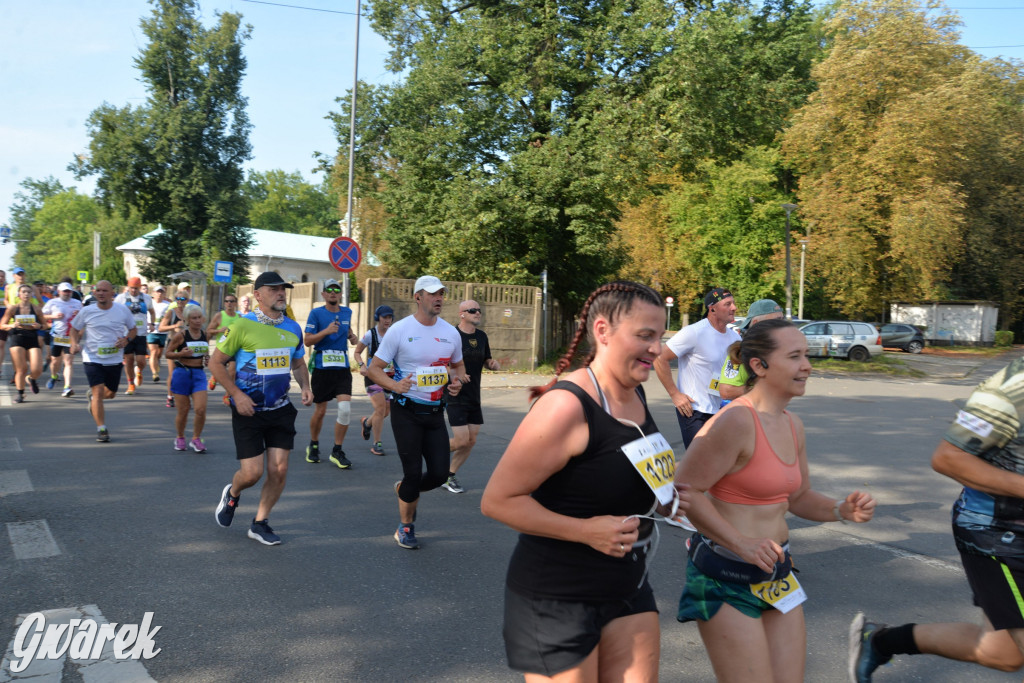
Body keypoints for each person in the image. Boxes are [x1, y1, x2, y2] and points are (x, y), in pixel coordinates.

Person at [481, 281, 687, 681]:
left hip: (629, 586)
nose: (657, 349)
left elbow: (616, 472)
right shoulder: (565, 406)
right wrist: (585, 531)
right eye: (645, 336)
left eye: (660, 337)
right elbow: (498, 500)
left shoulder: (634, 394)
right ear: (603, 331)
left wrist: (664, 499)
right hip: (556, 597)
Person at [674, 318, 876, 682]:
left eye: (807, 356)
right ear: (759, 365)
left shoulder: (791, 424)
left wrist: (839, 509)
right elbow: (684, 490)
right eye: (795, 356)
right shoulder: (734, 421)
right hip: (725, 577)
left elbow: (798, 497)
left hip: (776, 576)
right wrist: (741, 543)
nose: (807, 366)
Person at [848, 358, 1024, 682]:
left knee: (1003, 653)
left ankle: (880, 641)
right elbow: (949, 458)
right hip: (998, 535)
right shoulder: (1014, 386)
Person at [365, 275, 469, 550]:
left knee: (437, 474)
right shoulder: (400, 330)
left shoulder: (450, 332)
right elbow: (374, 369)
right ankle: (406, 527)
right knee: (413, 473)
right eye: (432, 294)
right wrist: (395, 385)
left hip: (435, 413)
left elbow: (458, 367)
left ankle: (405, 489)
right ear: (418, 297)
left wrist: (456, 382)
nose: (439, 298)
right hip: (406, 410)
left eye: (441, 294)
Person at [211, 272, 313, 546]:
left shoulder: (293, 328)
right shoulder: (243, 326)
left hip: (280, 408)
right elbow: (216, 363)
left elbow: (298, 363)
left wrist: (305, 386)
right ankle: (232, 493)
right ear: (257, 295)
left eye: (283, 289)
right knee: (252, 474)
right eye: (274, 289)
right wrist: (236, 395)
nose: (281, 293)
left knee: (279, 470)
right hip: (249, 409)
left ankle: (260, 523)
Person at [654, 287, 741, 448]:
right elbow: (660, 358)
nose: (734, 308)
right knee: (700, 463)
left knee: (720, 463)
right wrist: (675, 394)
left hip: (722, 409)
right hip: (695, 410)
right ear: (712, 308)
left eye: (733, 303)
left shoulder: (735, 338)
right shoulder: (694, 332)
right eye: (728, 304)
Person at [442, 299, 500, 493]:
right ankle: (431, 452)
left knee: (471, 440)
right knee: (460, 440)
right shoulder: (452, 335)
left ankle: (448, 475)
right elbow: (442, 362)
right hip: (455, 393)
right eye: (473, 310)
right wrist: (456, 374)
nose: (478, 313)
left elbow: (486, 358)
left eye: (479, 310)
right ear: (462, 314)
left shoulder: (482, 336)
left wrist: (491, 363)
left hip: (474, 395)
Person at [69, 281, 138, 442]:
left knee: (111, 394)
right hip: (92, 358)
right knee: (98, 391)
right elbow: (74, 329)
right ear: (94, 293)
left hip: (114, 358)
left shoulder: (122, 310)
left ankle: (93, 399)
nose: (101, 293)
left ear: (112, 293)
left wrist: (126, 340)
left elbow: (133, 329)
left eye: (104, 290)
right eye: (98, 290)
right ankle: (102, 429)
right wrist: (74, 343)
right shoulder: (87, 311)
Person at [303, 279, 359, 468]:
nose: (333, 292)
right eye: (329, 290)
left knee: (345, 410)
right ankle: (313, 443)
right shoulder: (316, 313)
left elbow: (348, 329)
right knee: (320, 411)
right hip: (322, 368)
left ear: (340, 294)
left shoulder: (347, 312)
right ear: (323, 294)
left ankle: (337, 450)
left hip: (342, 368)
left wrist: (352, 336)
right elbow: (308, 341)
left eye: (337, 289)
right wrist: (326, 331)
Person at [718, 299, 785, 401]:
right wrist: (762, 390)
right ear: (756, 323)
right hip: (748, 414)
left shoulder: (780, 350)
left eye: (782, 320)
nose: (781, 325)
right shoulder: (742, 351)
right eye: (776, 320)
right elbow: (726, 391)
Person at [165, 304, 210, 453]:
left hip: (198, 374)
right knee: (183, 410)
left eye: (199, 317)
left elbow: (205, 352)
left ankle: (196, 439)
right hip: (182, 373)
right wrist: (180, 354)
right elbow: (168, 353)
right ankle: (180, 437)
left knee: (200, 409)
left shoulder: (205, 334)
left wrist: (207, 359)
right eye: (194, 318)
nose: (197, 321)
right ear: (187, 320)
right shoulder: (181, 336)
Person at [354, 305, 395, 456]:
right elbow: (357, 352)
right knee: (380, 409)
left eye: (390, 317)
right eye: (384, 317)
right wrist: (361, 365)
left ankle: (367, 423)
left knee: (386, 411)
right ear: (378, 318)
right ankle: (377, 443)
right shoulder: (370, 335)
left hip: (389, 377)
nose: (387, 320)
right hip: (373, 376)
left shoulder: (394, 334)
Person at [1, 284, 46, 403]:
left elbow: (46, 325)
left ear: (32, 295)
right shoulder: (13, 308)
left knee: (37, 369)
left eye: (28, 292)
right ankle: (20, 394)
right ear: (19, 295)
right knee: (22, 368)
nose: (26, 294)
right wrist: (11, 325)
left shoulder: (36, 308)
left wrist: (39, 326)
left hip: (32, 337)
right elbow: (2, 325)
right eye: (24, 292)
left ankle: (31, 378)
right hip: (17, 337)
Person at [42, 282, 83, 396]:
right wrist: (53, 317)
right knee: (55, 361)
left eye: (69, 291)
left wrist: (79, 314)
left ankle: (67, 387)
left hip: (70, 337)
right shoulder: (52, 302)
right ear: (59, 292)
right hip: (56, 336)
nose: (67, 293)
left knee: (68, 361)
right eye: (64, 291)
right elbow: (42, 316)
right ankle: (54, 376)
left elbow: (84, 317)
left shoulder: (77, 303)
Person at [114, 276, 153, 395]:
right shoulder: (121, 298)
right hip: (126, 334)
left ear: (140, 288)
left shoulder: (146, 298)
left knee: (141, 361)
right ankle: (131, 384)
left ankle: (139, 371)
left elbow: (152, 311)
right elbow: (114, 312)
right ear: (128, 287)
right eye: (131, 288)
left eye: (136, 288)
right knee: (129, 360)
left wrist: (152, 323)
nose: (134, 291)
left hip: (141, 333)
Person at [158, 288, 195, 407]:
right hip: (173, 344)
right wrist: (174, 326)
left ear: (187, 300)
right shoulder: (171, 312)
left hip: (186, 345)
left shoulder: (190, 313)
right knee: (173, 372)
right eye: (177, 299)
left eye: (182, 299)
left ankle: (186, 398)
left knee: (188, 371)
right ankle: (170, 396)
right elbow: (161, 328)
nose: (180, 301)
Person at [206, 293, 239, 391]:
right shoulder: (219, 316)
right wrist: (219, 330)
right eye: (227, 301)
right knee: (221, 370)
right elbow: (208, 330)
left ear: (235, 303)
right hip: (222, 348)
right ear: (224, 303)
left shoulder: (239, 317)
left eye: (231, 301)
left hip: (234, 348)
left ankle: (228, 395)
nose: (229, 303)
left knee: (232, 371)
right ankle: (215, 377)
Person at [147, 285, 171, 383]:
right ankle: (154, 373)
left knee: (159, 353)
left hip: (162, 331)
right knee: (153, 351)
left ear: (164, 294)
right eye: (157, 292)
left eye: (161, 292)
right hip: (151, 331)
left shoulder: (168, 304)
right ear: (153, 293)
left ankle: (156, 363)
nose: (159, 293)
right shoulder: (149, 303)